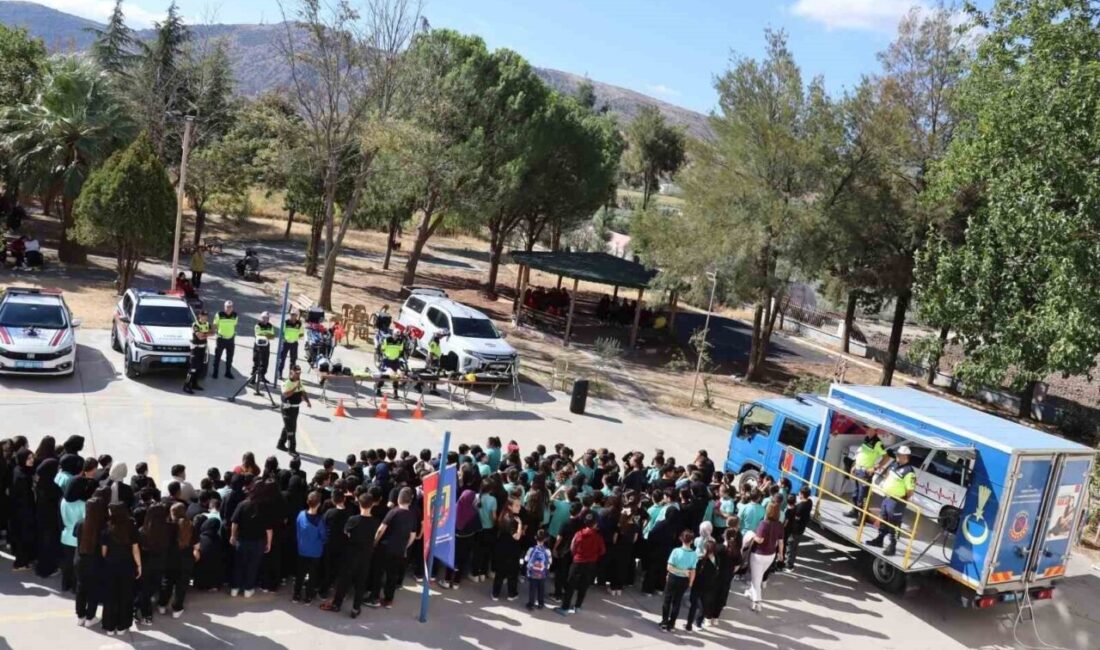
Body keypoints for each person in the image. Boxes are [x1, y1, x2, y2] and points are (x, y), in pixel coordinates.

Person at [322, 492, 380, 617]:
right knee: (361, 582)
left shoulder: (353, 520)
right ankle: (355, 608)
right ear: (372, 505)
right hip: (366, 555)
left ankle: (337, 604)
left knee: (344, 580)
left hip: (351, 554)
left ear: (359, 504)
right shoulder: (375, 522)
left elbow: (346, 533)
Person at [368, 486, 417, 608]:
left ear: (399, 499)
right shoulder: (412, 515)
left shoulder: (393, 512)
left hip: (385, 547)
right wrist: (405, 546)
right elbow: (413, 535)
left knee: (378, 573)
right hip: (399, 550)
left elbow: (381, 529)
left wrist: (375, 542)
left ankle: (374, 598)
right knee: (392, 575)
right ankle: (388, 600)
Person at [867, 446, 917, 556]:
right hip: (887, 497)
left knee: (894, 524)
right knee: (884, 519)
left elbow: (910, 491)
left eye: (899, 455)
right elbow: (888, 475)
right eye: (897, 454)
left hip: (896, 502)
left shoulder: (909, 472)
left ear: (905, 456)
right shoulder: (895, 464)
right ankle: (879, 539)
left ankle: (892, 546)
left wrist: (902, 500)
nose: (897, 456)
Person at [100, 502, 141, 635]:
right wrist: (139, 565)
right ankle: (122, 626)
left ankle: (109, 626)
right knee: (125, 595)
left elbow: (104, 551)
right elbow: (135, 549)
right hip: (127, 565)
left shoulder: (107, 527)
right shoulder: (131, 526)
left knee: (110, 595)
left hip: (110, 565)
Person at [556, 512, 605, 615]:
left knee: (570, 585)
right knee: (584, 585)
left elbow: (572, 548)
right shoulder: (598, 537)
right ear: (595, 524)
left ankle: (565, 608)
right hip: (591, 563)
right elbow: (602, 551)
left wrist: (576, 555)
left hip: (578, 561)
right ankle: (578, 606)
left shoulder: (578, 534)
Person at [230, 487, 272, 598]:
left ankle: (235, 588)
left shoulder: (242, 505)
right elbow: (268, 529)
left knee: (238, 565)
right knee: (253, 566)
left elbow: (234, 522)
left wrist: (233, 536)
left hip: (242, 540)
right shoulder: (264, 507)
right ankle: (248, 590)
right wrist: (269, 543)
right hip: (258, 541)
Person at [73, 491, 107, 627]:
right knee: (94, 589)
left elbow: (75, 536)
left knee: (81, 588)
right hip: (96, 562)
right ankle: (90, 617)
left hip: (80, 559)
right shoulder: (103, 526)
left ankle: (80, 616)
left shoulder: (80, 523)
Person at [160, 502, 196, 618]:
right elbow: (196, 543)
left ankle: (162, 605)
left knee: (167, 582)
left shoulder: (168, 527)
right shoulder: (191, 525)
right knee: (181, 585)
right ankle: (177, 608)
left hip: (170, 558)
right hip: (186, 559)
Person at [136, 502, 170, 625]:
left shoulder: (142, 531)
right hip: (161, 563)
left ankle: (145, 614)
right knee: (153, 587)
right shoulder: (168, 529)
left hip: (145, 564)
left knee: (144, 590)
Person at [747, 502, 785, 612]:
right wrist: (781, 554)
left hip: (758, 554)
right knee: (758, 576)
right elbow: (781, 542)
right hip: (771, 555)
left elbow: (759, 540)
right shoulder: (779, 525)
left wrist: (752, 535)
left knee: (756, 579)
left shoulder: (763, 524)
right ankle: (751, 592)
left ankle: (757, 602)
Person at [294, 491, 327, 604]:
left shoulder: (300, 514)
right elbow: (323, 536)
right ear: (319, 504)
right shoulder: (320, 520)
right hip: (315, 552)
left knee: (300, 573)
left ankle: (296, 594)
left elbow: (297, 529)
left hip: (302, 549)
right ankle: (308, 596)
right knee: (313, 575)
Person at [660, 530, 696, 631]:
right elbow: (693, 571)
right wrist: (690, 582)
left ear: (681, 539)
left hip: (673, 578)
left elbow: (669, 567)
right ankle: (672, 624)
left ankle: (664, 622)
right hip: (684, 580)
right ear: (692, 541)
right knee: (677, 602)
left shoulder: (676, 551)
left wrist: (679, 570)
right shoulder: (694, 554)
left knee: (667, 600)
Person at [704, 526, 741, 625]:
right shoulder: (736, 550)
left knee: (711, 596)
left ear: (725, 536)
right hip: (727, 577)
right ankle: (716, 618)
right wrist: (731, 572)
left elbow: (710, 558)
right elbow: (737, 566)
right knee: (721, 597)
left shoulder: (718, 548)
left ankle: (708, 618)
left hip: (715, 576)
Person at [847, 429, 888, 518]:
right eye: (867, 429)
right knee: (855, 494)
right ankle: (854, 512)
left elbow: (886, 457)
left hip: (865, 473)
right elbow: (861, 454)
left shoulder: (878, 443)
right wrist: (854, 466)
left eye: (870, 429)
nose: (867, 431)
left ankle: (861, 518)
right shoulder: (866, 439)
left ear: (875, 431)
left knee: (862, 497)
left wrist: (875, 467)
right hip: (858, 469)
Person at [34, 459, 63, 578]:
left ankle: (42, 566)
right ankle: (48, 569)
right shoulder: (52, 487)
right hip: (50, 520)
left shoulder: (40, 483)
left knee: (43, 543)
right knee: (49, 544)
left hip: (41, 517)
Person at [491, 497, 524, 601]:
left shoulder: (503, 516)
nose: (519, 507)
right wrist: (520, 525)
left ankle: (495, 593)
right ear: (510, 506)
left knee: (500, 572)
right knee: (512, 573)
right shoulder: (513, 520)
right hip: (512, 549)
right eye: (517, 505)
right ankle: (511, 594)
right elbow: (517, 536)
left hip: (501, 547)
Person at [9, 448, 36, 570]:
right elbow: (25, 497)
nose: (32, 460)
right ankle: (20, 564)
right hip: (23, 512)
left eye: (32, 457)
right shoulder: (22, 477)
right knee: (23, 537)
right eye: (28, 458)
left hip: (20, 511)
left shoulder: (20, 470)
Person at [278, 365, 312, 456]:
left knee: (288, 427)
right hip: (287, 409)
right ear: (291, 372)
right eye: (296, 373)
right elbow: (286, 394)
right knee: (291, 430)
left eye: (299, 373)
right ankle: (291, 449)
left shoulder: (299, 382)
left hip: (295, 409)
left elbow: (303, 392)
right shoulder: (286, 383)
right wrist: (295, 387)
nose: (298, 375)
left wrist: (307, 401)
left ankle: (280, 444)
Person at [686, 539, 718, 631]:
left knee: (694, 605)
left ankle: (689, 624)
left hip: (698, 585)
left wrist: (690, 582)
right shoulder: (716, 560)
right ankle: (698, 623)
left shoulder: (701, 560)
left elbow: (694, 572)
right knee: (704, 606)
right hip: (709, 586)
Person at [785, 487, 813, 570]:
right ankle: (790, 563)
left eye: (799, 493)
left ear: (802, 494)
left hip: (795, 531)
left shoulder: (799, 507)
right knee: (794, 547)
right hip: (801, 529)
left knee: (790, 548)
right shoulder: (810, 502)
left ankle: (789, 565)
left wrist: (791, 509)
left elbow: (795, 517)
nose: (798, 494)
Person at [183, 311, 211, 394]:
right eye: (203, 315)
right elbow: (199, 336)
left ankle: (194, 384)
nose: (205, 317)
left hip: (203, 349)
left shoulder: (207, 324)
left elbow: (213, 332)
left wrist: (204, 334)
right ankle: (186, 386)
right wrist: (207, 334)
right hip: (196, 349)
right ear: (199, 316)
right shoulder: (195, 325)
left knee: (199, 368)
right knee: (193, 369)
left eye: (206, 316)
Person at [524, 529, 552, 610]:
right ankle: (541, 603)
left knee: (532, 589)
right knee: (541, 589)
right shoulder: (547, 551)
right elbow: (550, 561)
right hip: (542, 574)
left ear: (536, 538)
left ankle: (531, 604)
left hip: (533, 573)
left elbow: (526, 559)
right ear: (545, 539)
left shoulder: (531, 549)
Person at [375, 331, 407, 399]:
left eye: (398, 336)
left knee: (396, 376)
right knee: (384, 375)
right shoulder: (387, 340)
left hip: (395, 360)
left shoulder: (400, 341)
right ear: (392, 334)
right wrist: (385, 355)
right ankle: (378, 389)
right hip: (387, 360)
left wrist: (397, 356)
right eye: (395, 335)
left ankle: (395, 392)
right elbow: (382, 349)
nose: (396, 337)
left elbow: (400, 350)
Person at [212, 300, 239, 379]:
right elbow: (215, 324)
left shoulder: (235, 315)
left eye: (230, 307)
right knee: (217, 357)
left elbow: (234, 325)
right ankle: (215, 372)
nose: (229, 308)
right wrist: (214, 332)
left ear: (232, 308)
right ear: (224, 307)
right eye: (227, 307)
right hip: (221, 339)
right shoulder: (219, 314)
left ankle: (228, 372)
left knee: (230, 357)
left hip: (230, 339)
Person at [251, 311, 277, 390]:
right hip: (258, 345)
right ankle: (253, 379)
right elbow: (258, 335)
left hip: (266, 345)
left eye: (267, 318)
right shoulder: (258, 325)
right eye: (264, 318)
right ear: (261, 318)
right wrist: (267, 335)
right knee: (256, 361)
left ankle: (262, 377)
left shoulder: (270, 326)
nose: (265, 319)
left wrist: (265, 335)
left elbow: (273, 336)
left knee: (265, 362)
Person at [277, 310, 304, 380]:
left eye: (294, 315)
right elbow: (282, 332)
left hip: (294, 343)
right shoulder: (286, 322)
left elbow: (301, 333)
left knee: (293, 360)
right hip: (286, 343)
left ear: (296, 316)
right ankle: (279, 373)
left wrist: (296, 337)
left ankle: (291, 375)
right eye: (291, 315)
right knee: (282, 359)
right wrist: (284, 338)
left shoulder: (299, 323)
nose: (292, 316)